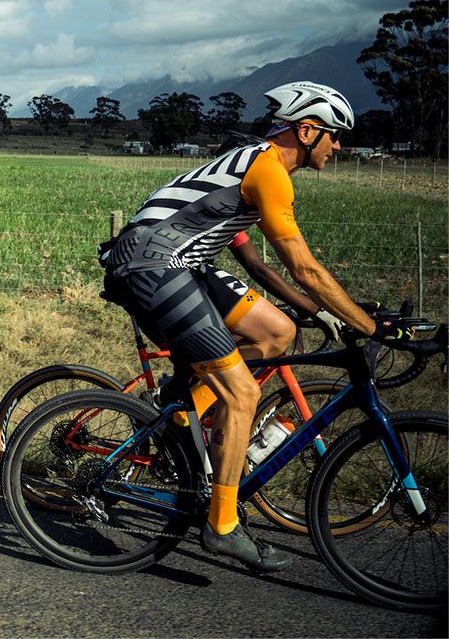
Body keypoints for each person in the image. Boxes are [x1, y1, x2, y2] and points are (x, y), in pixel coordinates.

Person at [99, 81, 413, 572]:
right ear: (306, 130)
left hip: (185, 262)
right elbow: (301, 267)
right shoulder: (267, 169)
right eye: (333, 135)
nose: (338, 146)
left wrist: (336, 311)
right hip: (155, 263)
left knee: (278, 332)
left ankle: (182, 415)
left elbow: (282, 274)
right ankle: (222, 525)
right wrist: (368, 326)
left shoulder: (261, 163)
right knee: (242, 394)